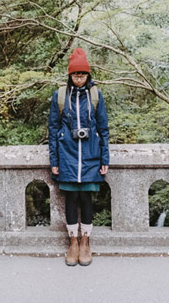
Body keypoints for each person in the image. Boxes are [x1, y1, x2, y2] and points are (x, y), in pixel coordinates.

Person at [48, 48, 109, 266]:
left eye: (83, 74)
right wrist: (54, 161)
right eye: (75, 74)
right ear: (70, 75)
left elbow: (104, 129)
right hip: (68, 156)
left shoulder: (95, 95)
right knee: (71, 199)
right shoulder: (61, 95)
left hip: (91, 156)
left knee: (87, 199)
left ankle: (86, 241)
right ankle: (73, 242)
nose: (79, 78)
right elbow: (53, 129)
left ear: (88, 75)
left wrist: (105, 159)